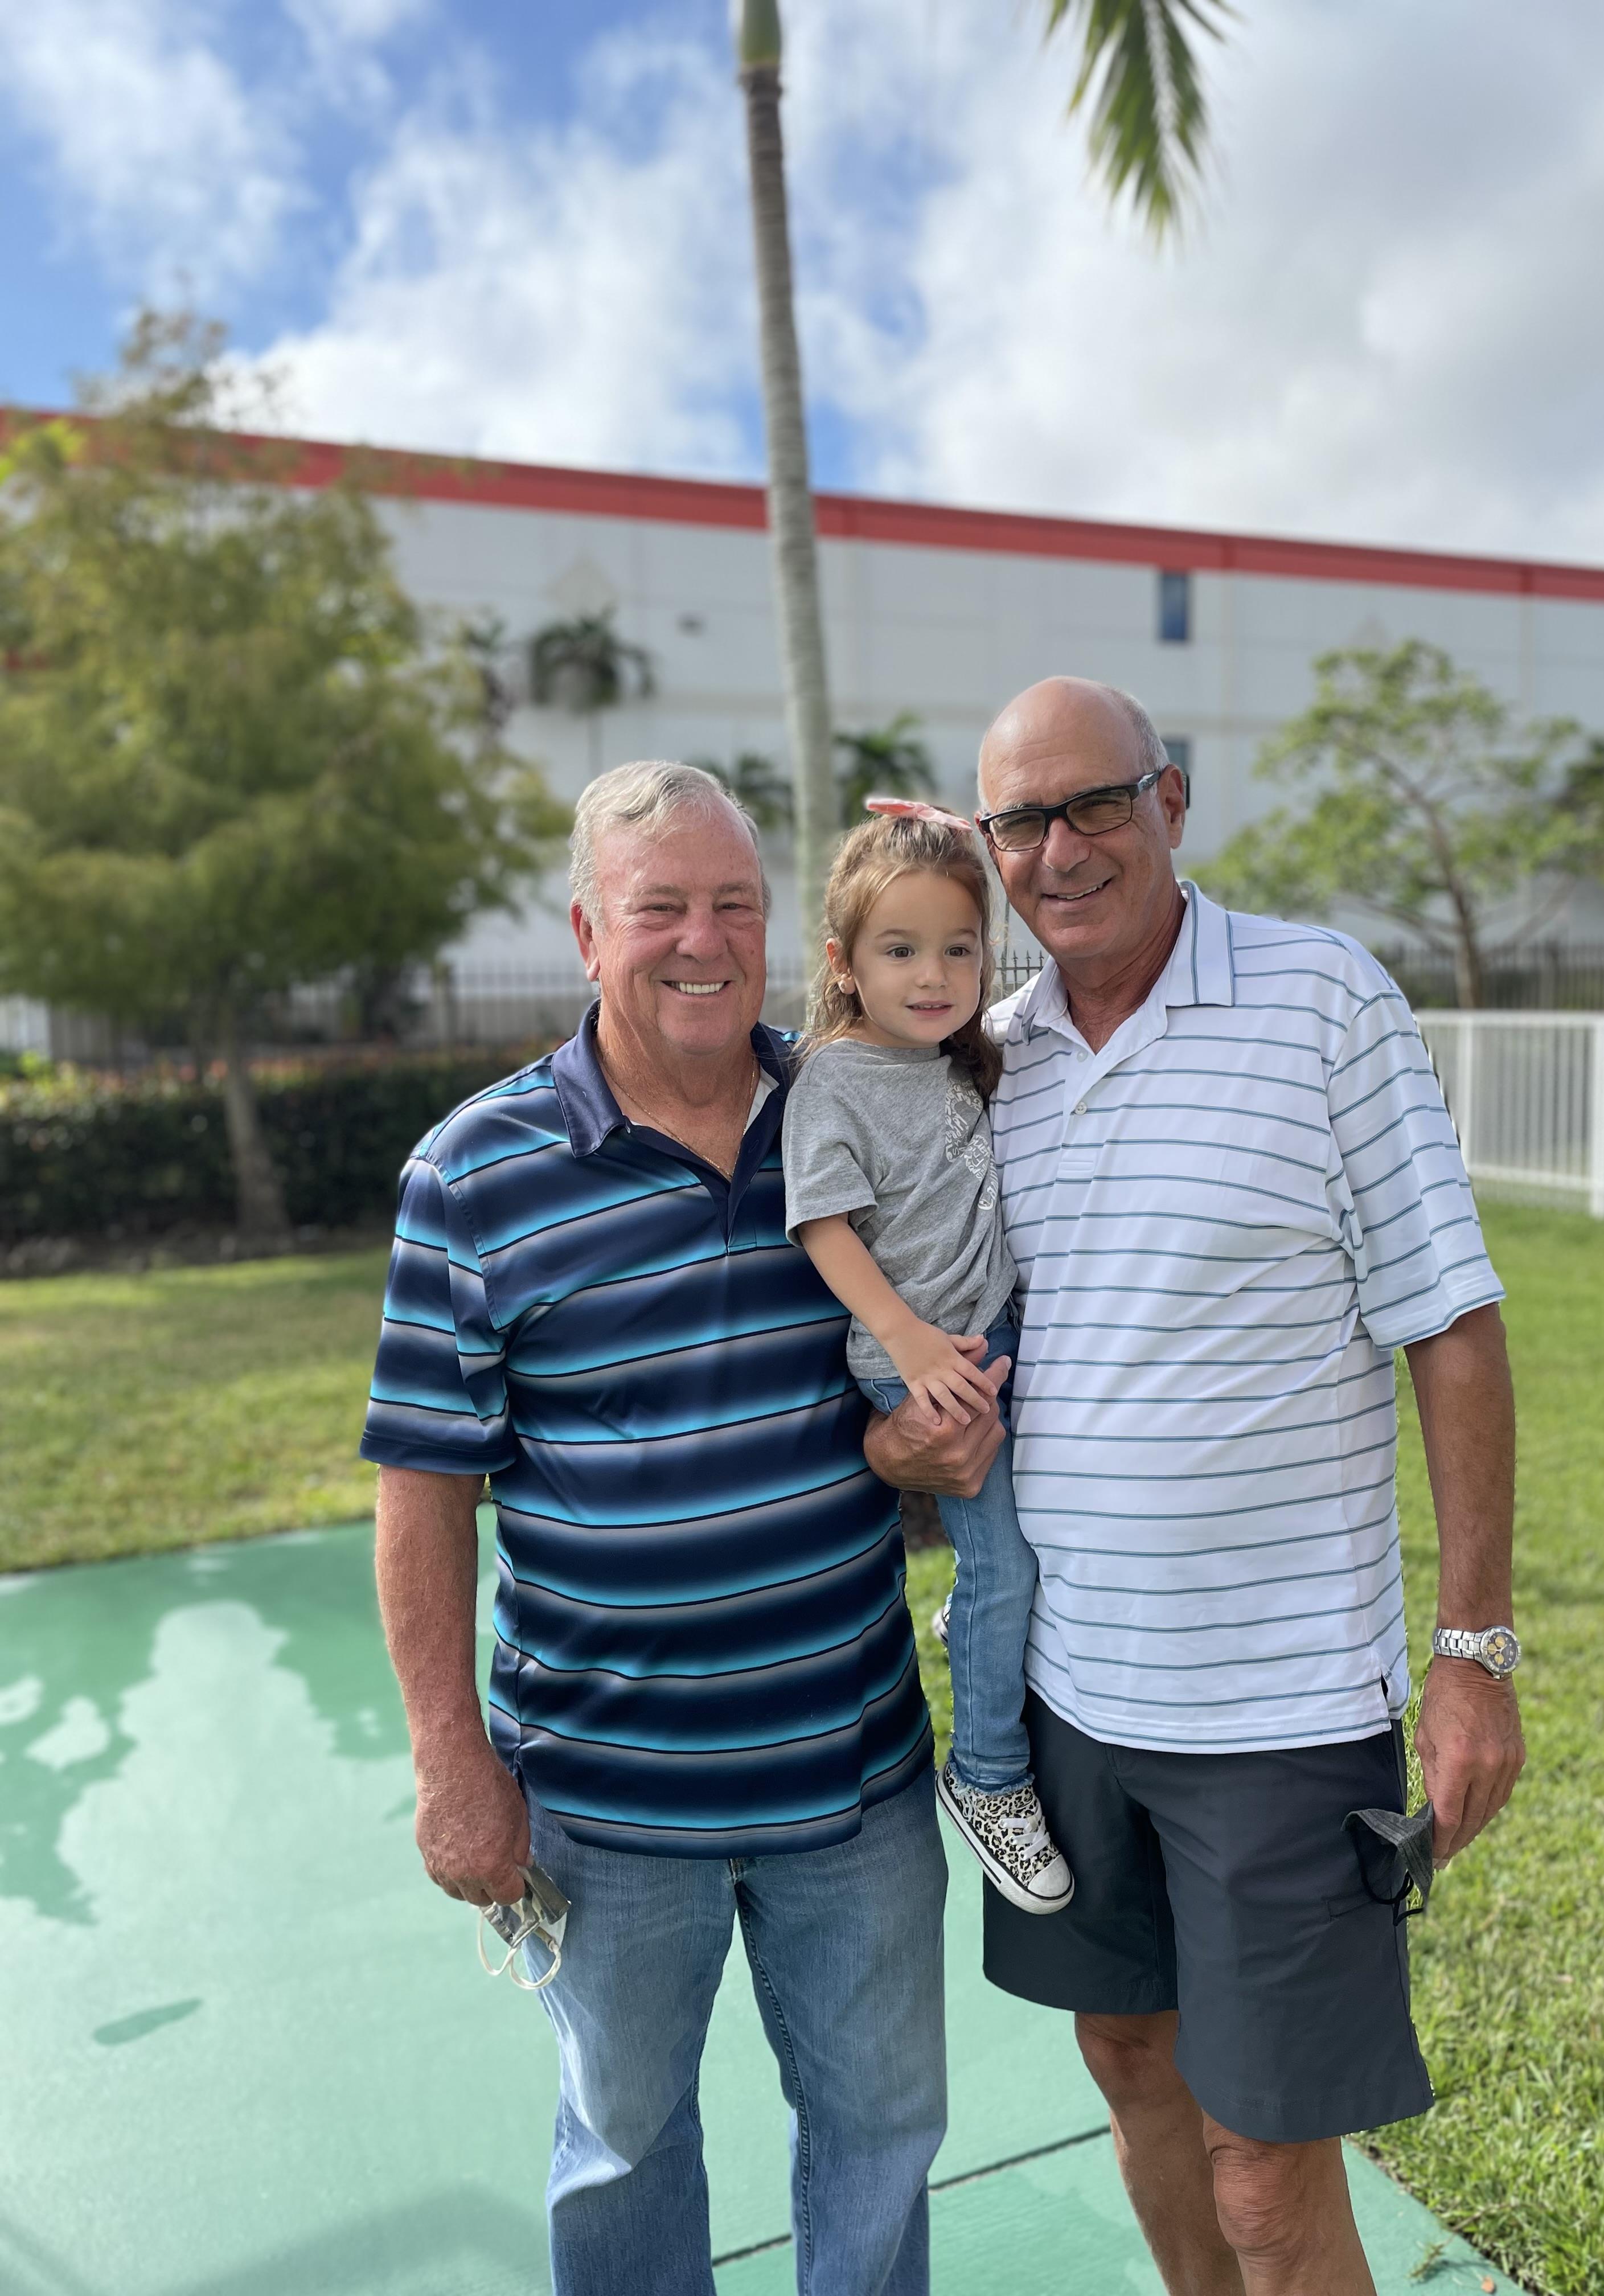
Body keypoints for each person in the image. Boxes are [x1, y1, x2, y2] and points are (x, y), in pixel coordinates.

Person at [863, 678, 1526, 2296]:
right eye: (1023, 821)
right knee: (1129, 2067)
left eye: (1098, 803)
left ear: (1171, 801)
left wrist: (1473, 1649)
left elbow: (1450, 1323)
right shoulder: (981, 1061)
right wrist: (901, 1452)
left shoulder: (1323, 1000)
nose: (1063, 850)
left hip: (1281, 1716)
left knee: (1266, 2172)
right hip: (1067, 1703)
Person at [362, 760, 947, 2296]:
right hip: (605, 1800)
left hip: (856, 1775)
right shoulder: (472, 1175)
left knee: (885, 2133)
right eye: (660, 908)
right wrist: (449, 1763)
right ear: (586, 932)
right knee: (623, 2144)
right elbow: (422, 1489)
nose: (704, 940)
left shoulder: (854, 1108)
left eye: (735, 905)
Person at [781, 799, 1072, 1915]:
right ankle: (989, 1777)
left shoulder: (954, 1057)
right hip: (920, 1355)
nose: (934, 974)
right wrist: (905, 1341)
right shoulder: (835, 1079)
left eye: (959, 948)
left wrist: (964, 844)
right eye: (899, 950)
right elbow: (822, 1224)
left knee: (1046, 1531)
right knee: (1008, 1563)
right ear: (844, 966)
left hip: (989, 1334)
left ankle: (975, 1619)